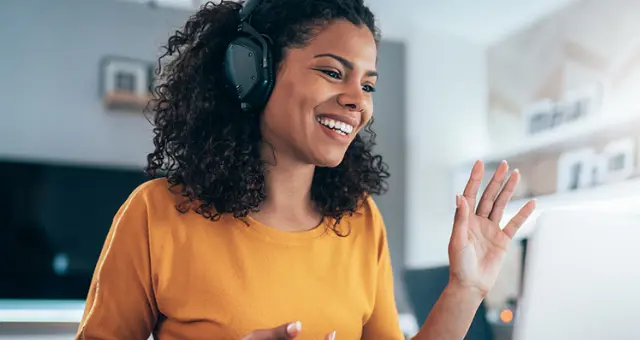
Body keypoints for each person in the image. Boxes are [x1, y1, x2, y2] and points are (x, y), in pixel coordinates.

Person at [75, 0, 535, 339]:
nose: (358, 101)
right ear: (254, 72)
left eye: (368, 84)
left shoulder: (359, 220)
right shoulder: (157, 213)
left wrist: (465, 289)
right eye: (333, 73)